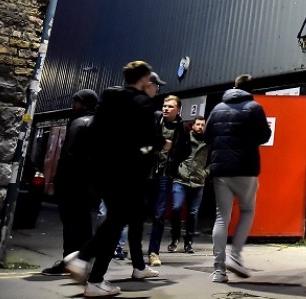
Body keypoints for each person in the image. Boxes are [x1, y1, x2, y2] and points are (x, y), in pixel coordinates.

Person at [63, 61, 165, 297]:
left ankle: (94, 276)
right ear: (144, 79)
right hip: (127, 172)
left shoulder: (109, 97)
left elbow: (97, 132)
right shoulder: (142, 103)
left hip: (103, 170)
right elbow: (148, 139)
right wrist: (161, 143)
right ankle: (83, 261)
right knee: (115, 222)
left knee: (116, 221)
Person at [205, 73, 272, 283]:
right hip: (245, 167)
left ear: (234, 87)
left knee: (221, 217)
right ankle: (235, 256)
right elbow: (264, 136)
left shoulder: (217, 108)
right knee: (247, 210)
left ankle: (218, 271)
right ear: (250, 89)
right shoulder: (254, 108)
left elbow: (207, 135)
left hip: (220, 169)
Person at [41, 89, 98, 276]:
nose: (73, 106)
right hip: (89, 184)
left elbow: (68, 154)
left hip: (71, 182)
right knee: (83, 223)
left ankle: (68, 262)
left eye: (76, 102)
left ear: (84, 104)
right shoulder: (100, 124)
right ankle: (83, 261)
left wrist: (59, 180)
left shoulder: (78, 122)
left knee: (71, 224)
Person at [147, 94, 186, 266]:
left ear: (178, 109)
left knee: (159, 214)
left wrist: (174, 162)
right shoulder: (155, 119)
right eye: (164, 105)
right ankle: (120, 247)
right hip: (147, 172)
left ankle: (153, 252)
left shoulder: (182, 128)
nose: (165, 108)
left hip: (165, 174)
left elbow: (185, 150)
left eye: (170, 106)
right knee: (135, 210)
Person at [168, 115, 209, 253]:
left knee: (192, 213)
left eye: (203, 125)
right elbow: (174, 154)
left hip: (198, 181)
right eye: (198, 124)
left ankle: (189, 241)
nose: (200, 127)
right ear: (192, 125)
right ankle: (175, 237)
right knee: (176, 207)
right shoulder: (185, 139)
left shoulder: (208, 142)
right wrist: (177, 169)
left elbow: (213, 160)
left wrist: (206, 172)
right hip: (181, 179)